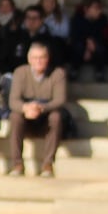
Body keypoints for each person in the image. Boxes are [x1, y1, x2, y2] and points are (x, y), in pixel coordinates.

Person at [7, 42, 68, 177]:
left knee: (56, 117)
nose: (39, 61)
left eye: (42, 57)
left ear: (48, 58)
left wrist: (40, 108)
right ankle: (17, 164)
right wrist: (26, 108)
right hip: (27, 116)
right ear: (29, 59)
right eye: (35, 58)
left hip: (45, 116)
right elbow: (13, 101)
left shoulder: (58, 74)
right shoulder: (20, 72)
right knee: (15, 116)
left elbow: (60, 100)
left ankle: (48, 164)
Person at [68, 0, 108, 82]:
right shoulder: (77, 19)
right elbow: (75, 36)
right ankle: (74, 70)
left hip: (95, 47)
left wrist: (92, 43)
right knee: (78, 46)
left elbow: (103, 35)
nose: (99, 11)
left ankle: (100, 71)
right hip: (82, 47)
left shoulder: (103, 19)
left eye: (100, 8)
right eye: (96, 8)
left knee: (100, 47)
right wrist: (87, 44)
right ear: (86, 9)